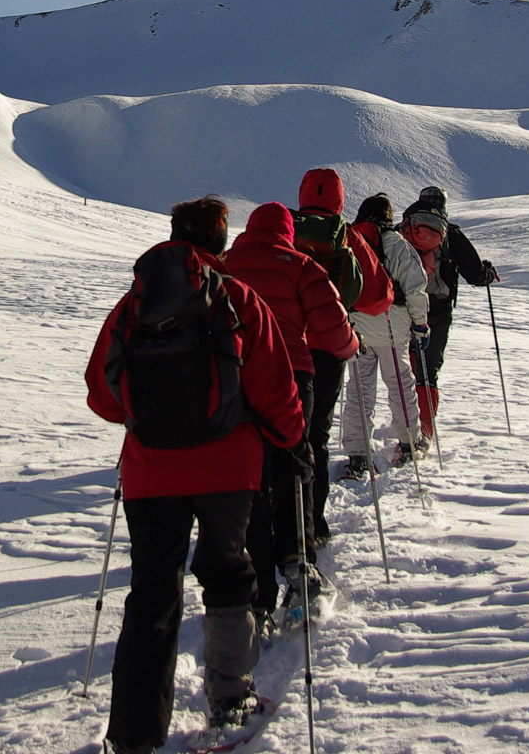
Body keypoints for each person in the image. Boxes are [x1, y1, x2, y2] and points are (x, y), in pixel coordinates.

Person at [87, 196, 306, 754]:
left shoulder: (134, 303)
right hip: (229, 467)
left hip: (149, 470)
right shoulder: (237, 299)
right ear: (221, 242)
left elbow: (101, 392)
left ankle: (135, 732)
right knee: (228, 575)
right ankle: (230, 700)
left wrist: (147, 418)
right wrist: (289, 439)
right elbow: (274, 388)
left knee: (152, 593)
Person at [223, 202, 358, 629]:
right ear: (288, 232)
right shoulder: (301, 265)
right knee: (294, 466)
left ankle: (255, 588)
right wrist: (352, 348)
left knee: (250, 477)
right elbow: (335, 329)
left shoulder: (225, 264)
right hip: (291, 374)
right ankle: (299, 564)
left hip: (236, 376)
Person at [288, 168, 362, 546]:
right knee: (317, 435)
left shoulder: (288, 227)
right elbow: (376, 293)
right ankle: (313, 523)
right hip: (329, 347)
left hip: (285, 347)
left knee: (282, 434)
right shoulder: (345, 235)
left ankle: (279, 520)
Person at [400, 186, 499, 446]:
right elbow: (475, 274)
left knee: (405, 367)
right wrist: (487, 272)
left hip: (405, 307)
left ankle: (405, 426)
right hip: (438, 311)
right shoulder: (449, 234)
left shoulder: (404, 229)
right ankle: (425, 430)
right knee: (428, 369)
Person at [340, 193, 431, 470]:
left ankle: (357, 453)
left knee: (359, 390)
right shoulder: (397, 244)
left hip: (358, 328)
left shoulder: (351, 241)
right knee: (401, 386)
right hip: (394, 328)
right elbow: (415, 286)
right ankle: (409, 443)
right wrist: (420, 323)